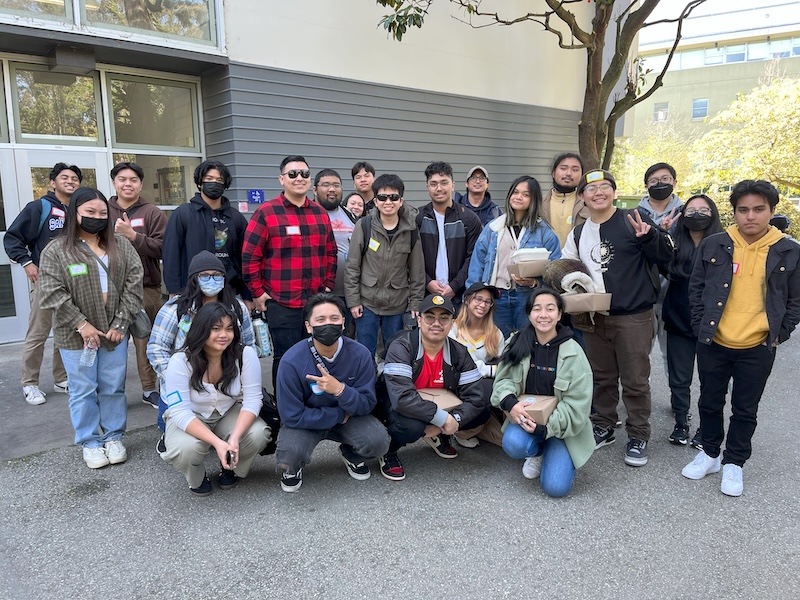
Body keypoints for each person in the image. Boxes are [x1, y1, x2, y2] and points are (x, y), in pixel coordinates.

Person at [682, 180, 800, 497]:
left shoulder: (789, 250)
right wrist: (699, 325)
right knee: (709, 402)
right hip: (714, 341)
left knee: (745, 409)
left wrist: (780, 333)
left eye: (759, 209)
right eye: (743, 210)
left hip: (758, 346)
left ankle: (734, 462)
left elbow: (795, 301)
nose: (751, 216)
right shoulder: (715, 244)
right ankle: (710, 454)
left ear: (771, 211)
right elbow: (696, 289)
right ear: (734, 212)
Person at [561, 170, 674, 468]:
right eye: (591, 188)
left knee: (635, 379)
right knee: (602, 376)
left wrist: (649, 237)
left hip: (633, 315)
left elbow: (666, 257)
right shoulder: (579, 231)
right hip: (594, 315)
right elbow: (565, 265)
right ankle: (604, 424)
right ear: (582, 196)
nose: (598, 193)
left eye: (604, 187)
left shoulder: (634, 219)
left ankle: (638, 434)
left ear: (613, 191)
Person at [38, 187, 143, 469]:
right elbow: (50, 292)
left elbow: (135, 282)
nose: (97, 217)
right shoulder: (56, 249)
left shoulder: (121, 244)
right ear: (75, 214)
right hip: (75, 336)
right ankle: (90, 441)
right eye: (89, 212)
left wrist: (121, 322)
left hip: (113, 332)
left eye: (102, 213)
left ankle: (113, 436)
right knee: (83, 389)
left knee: (113, 387)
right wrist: (81, 324)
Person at [274, 294, 390, 492]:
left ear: (344, 323)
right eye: (320, 320)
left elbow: (367, 403)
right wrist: (337, 415)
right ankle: (294, 468)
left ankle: (351, 453)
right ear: (308, 326)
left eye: (334, 319)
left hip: (350, 416)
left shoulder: (360, 354)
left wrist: (341, 391)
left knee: (379, 442)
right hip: (309, 421)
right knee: (289, 454)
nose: (328, 324)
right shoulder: (291, 361)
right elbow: (291, 416)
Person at [242, 155, 336, 391]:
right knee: (285, 359)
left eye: (304, 174)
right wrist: (258, 293)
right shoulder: (266, 213)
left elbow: (330, 253)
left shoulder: (320, 213)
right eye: (292, 174)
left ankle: (315, 405)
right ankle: (287, 412)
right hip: (281, 303)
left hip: (315, 303)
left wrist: (327, 286)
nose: (299, 178)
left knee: (317, 357)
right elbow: (250, 257)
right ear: (281, 179)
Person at [492, 288, 594, 497]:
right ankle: (537, 451)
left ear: (559, 314)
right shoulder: (518, 342)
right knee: (512, 444)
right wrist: (511, 403)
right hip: (526, 419)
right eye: (537, 309)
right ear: (529, 314)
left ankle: (550, 448)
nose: (543, 315)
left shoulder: (574, 352)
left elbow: (577, 405)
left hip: (562, 429)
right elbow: (503, 381)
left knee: (556, 489)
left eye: (550, 309)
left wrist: (545, 430)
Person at [161, 302, 270, 496]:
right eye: (216, 329)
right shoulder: (180, 361)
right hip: (192, 415)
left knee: (258, 434)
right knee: (185, 449)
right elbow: (179, 411)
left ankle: (230, 467)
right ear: (201, 330)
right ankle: (196, 476)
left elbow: (253, 400)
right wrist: (218, 443)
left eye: (229, 329)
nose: (224, 335)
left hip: (227, 411)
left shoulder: (245, 354)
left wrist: (234, 438)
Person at [148, 251, 256, 446]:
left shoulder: (237, 309)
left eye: (217, 275)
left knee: (252, 433)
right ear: (193, 279)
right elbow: (156, 348)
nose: (211, 280)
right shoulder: (175, 309)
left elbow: (248, 345)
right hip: (185, 387)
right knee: (181, 442)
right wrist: (176, 377)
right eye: (204, 276)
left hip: (225, 387)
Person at [378, 294, 490, 481]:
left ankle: (436, 434)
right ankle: (389, 449)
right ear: (419, 320)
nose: (436, 323)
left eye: (444, 318)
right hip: (397, 406)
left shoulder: (458, 351)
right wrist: (443, 419)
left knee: (482, 411)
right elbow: (402, 399)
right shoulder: (402, 346)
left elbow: (476, 397)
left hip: (437, 405)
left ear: (452, 323)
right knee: (410, 426)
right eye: (430, 317)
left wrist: (453, 419)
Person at [4, 162, 80, 405]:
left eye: (75, 178)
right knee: (38, 333)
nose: (70, 181)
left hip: (74, 280)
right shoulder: (40, 207)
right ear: (52, 183)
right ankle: (30, 383)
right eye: (64, 177)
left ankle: (61, 378)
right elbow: (13, 237)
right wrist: (26, 262)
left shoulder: (80, 210)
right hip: (46, 281)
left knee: (66, 332)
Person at [466, 175, 562, 336]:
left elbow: (555, 272)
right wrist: (471, 297)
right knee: (496, 344)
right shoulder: (494, 228)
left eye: (526, 194)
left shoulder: (544, 233)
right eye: (515, 192)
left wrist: (534, 283)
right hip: (497, 296)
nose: (519, 197)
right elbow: (477, 264)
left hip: (528, 297)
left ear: (534, 200)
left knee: (527, 343)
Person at [662, 195, 722, 446]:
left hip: (713, 323)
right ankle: (681, 421)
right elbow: (653, 258)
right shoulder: (672, 243)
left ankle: (706, 427)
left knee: (711, 379)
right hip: (678, 318)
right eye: (691, 210)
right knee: (679, 377)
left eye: (703, 210)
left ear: (713, 214)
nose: (696, 215)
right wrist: (660, 232)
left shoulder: (723, 245)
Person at [344, 173, 424, 359]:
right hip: (367, 303)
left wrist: (415, 302)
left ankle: (390, 388)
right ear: (375, 200)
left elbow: (417, 271)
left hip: (396, 305)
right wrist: (354, 301)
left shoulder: (410, 230)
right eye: (382, 197)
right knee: (364, 353)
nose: (388, 202)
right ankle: (367, 387)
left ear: (401, 200)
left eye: (393, 197)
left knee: (394, 353)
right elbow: (352, 267)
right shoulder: (364, 226)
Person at [107, 161, 167, 410]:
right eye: (122, 179)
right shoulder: (103, 210)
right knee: (112, 342)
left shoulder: (152, 213)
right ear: (114, 182)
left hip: (146, 287)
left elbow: (164, 247)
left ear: (140, 184)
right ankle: (113, 393)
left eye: (133, 179)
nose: (127, 184)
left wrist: (133, 236)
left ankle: (149, 389)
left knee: (145, 340)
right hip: (109, 289)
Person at [162, 160, 249, 299]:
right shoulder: (183, 214)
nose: (214, 183)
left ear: (225, 185)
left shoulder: (236, 218)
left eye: (219, 180)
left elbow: (245, 257)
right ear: (199, 183)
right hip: (191, 292)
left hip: (229, 292)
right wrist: (174, 290)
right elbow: (171, 255)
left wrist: (247, 295)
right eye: (209, 179)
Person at [416, 161, 483, 310]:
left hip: (459, 296)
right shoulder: (418, 218)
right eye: (433, 184)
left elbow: (473, 258)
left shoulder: (469, 219)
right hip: (425, 295)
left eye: (444, 183)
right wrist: (427, 282)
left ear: (453, 185)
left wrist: (454, 286)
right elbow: (411, 258)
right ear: (427, 188)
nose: (439, 188)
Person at [448, 282, 506, 447]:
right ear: (467, 300)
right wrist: (489, 370)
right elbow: (460, 364)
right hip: (456, 384)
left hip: (480, 386)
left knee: (504, 440)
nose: (483, 305)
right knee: (483, 394)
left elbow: (503, 366)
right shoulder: (452, 329)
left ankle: (475, 426)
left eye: (488, 302)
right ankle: (460, 429)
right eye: (478, 299)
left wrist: (490, 370)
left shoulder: (495, 333)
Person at [312, 169, 357, 334]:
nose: (332, 189)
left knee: (346, 337)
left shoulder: (350, 215)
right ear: (315, 190)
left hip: (348, 293)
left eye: (336, 185)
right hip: (320, 292)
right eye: (326, 185)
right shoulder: (309, 214)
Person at [540, 152, 588, 247]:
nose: (569, 173)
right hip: (546, 260)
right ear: (553, 173)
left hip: (577, 260)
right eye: (563, 168)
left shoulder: (588, 204)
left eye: (575, 170)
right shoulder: (538, 203)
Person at [637, 163, 683, 229]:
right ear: (646, 186)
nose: (659, 183)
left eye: (665, 178)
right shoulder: (635, 215)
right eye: (653, 181)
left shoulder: (685, 214)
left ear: (674, 182)